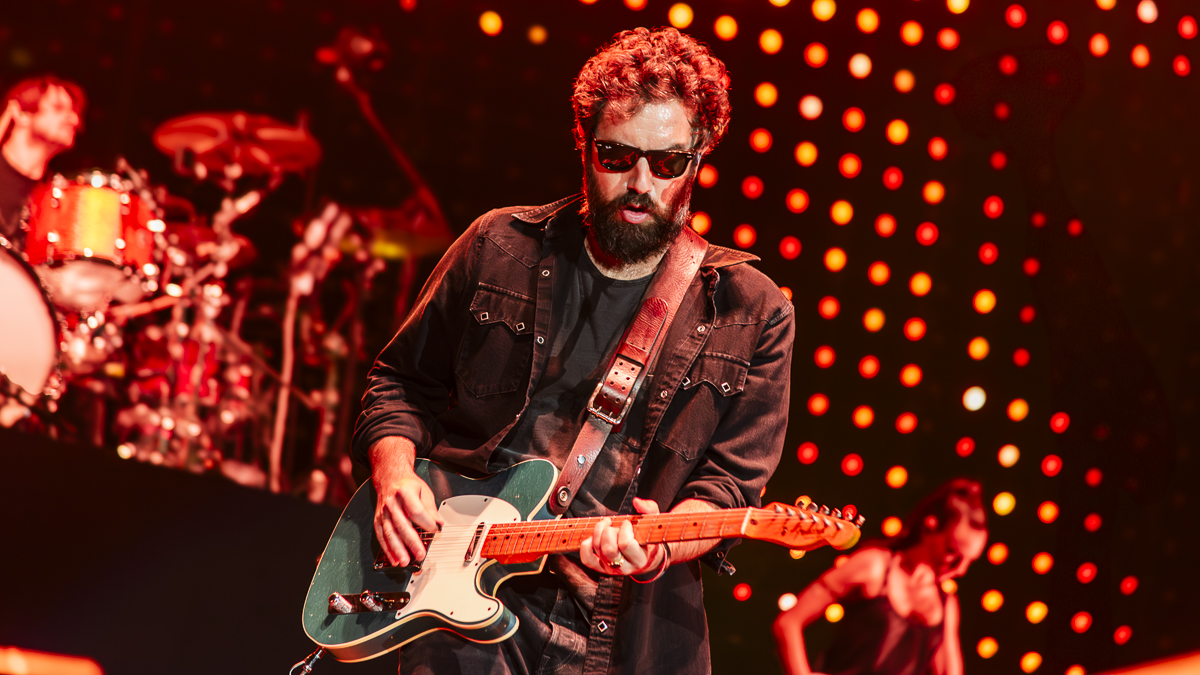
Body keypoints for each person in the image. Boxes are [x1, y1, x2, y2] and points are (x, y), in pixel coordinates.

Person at [352, 27, 795, 675]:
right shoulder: (496, 245)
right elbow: (397, 381)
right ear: (583, 147)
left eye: (668, 163)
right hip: (461, 605)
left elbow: (728, 486)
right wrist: (394, 475)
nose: (641, 182)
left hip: (625, 634)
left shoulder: (752, 308)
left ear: (697, 161)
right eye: (617, 157)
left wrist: (660, 545)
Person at [773, 479, 989, 675]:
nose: (961, 570)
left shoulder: (946, 605)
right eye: (953, 553)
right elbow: (789, 622)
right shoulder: (875, 565)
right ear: (930, 526)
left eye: (969, 560)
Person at [0, 75, 84, 246]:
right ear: (20, 113)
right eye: (59, 108)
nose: (75, 120)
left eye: (74, 112)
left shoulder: (58, 201)